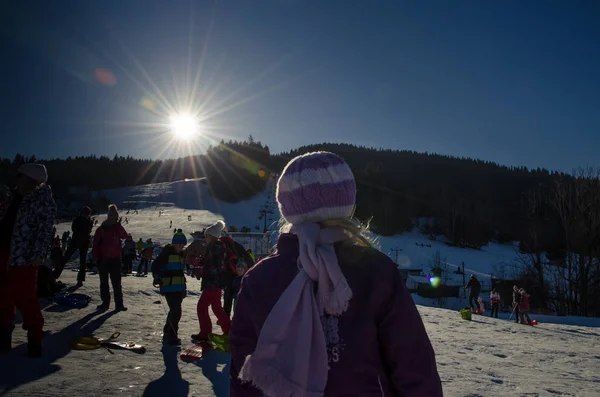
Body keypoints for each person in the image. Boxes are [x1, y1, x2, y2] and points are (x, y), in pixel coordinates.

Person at [229, 152, 442, 397]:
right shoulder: (375, 269)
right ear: (347, 202)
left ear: (287, 206)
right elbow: (412, 361)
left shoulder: (259, 278)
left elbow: (242, 365)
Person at [0, 163, 56, 357]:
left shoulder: (42, 200)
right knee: (2, 295)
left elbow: (44, 231)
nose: (16, 180)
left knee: (25, 298)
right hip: (3, 251)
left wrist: (38, 256)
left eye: (20, 176)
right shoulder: (10, 197)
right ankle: (3, 335)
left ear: (29, 179)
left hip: (24, 257)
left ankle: (35, 338)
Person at [191, 220, 231, 342]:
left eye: (207, 236)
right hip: (216, 284)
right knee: (217, 308)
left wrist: (202, 270)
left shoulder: (216, 247)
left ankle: (205, 333)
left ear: (212, 236)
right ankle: (229, 331)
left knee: (201, 307)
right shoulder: (215, 247)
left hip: (212, 284)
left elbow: (217, 267)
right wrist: (199, 265)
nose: (205, 238)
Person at [152, 230, 188, 345]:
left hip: (178, 288)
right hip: (169, 287)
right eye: (180, 244)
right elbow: (155, 266)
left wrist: (183, 288)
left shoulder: (181, 255)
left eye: (183, 245)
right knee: (176, 311)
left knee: (174, 311)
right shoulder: (166, 254)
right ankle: (172, 335)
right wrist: (158, 276)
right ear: (174, 244)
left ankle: (167, 330)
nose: (182, 247)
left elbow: (181, 273)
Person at [92, 204, 128, 311]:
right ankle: (105, 303)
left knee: (116, 283)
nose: (115, 220)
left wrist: (119, 226)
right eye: (113, 218)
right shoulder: (101, 230)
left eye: (116, 218)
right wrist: (95, 258)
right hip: (103, 259)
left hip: (115, 259)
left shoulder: (116, 228)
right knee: (104, 282)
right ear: (109, 217)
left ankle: (118, 305)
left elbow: (125, 236)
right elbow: (95, 245)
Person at [53, 206, 94, 286]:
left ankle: (80, 280)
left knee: (82, 262)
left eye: (87, 214)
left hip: (84, 242)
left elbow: (87, 230)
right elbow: (74, 229)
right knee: (66, 258)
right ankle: (54, 275)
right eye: (85, 214)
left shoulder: (89, 221)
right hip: (75, 241)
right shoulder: (78, 220)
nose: (86, 215)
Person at [220, 235, 254, 318]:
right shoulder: (236, 247)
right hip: (238, 275)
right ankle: (234, 318)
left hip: (232, 275)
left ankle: (228, 317)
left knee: (229, 296)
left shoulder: (222, 246)